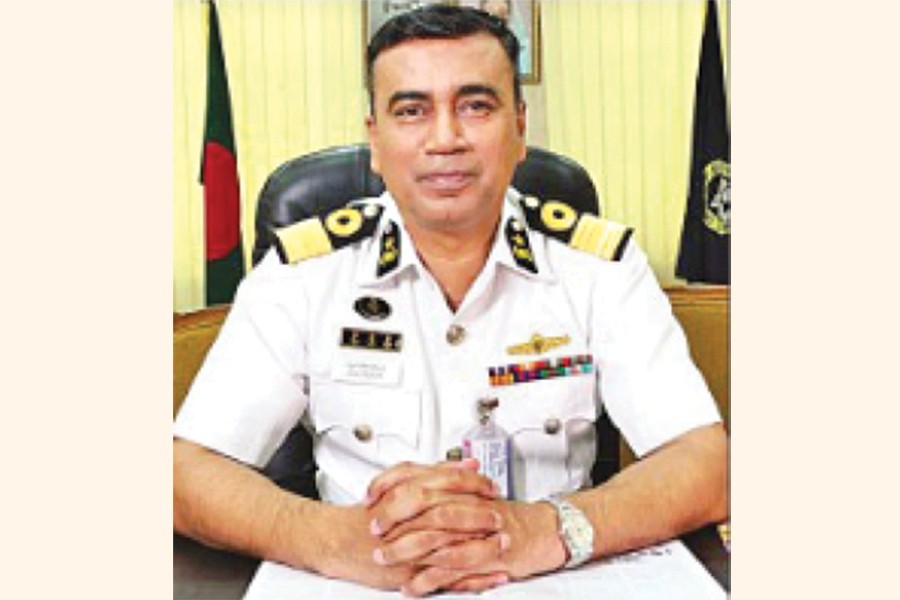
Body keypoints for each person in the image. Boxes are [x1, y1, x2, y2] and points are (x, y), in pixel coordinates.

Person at [173, 5, 727, 597]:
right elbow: (185, 473)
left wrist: (549, 530)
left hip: (550, 581)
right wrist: (332, 539)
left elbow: (705, 463)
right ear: (376, 139)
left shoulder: (599, 267)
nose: (445, 139)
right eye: (412, 110)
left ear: (519, 127)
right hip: (365, 586)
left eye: (476, 106)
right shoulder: (302, 275)